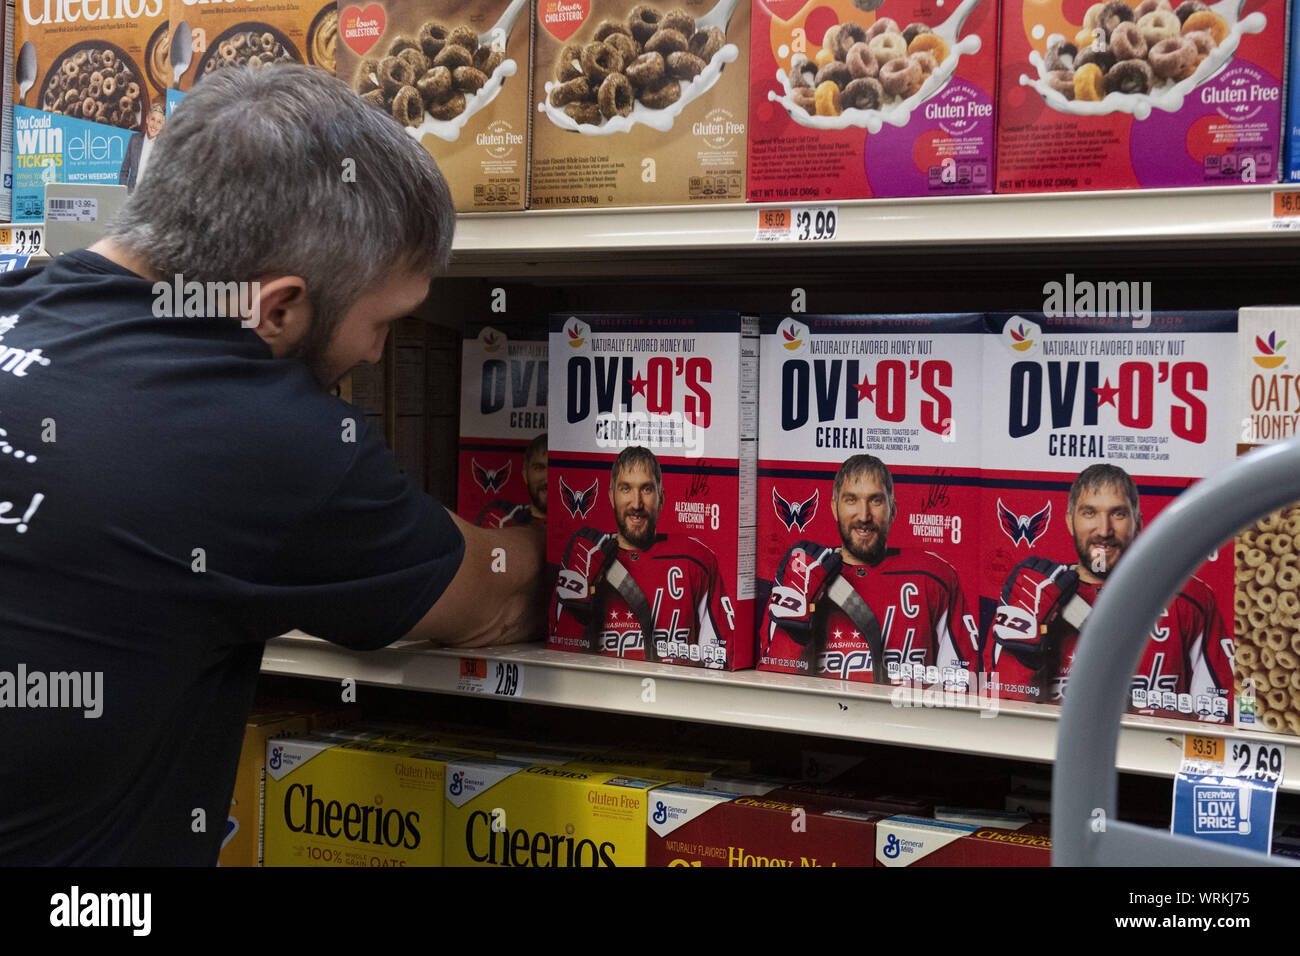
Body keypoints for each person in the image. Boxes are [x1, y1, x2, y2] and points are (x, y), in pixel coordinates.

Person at [0, 65, 543, 866]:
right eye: (386, 321)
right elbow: (495, 597)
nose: (379, 352)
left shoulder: (18, 304)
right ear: (280, 306)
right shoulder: (267, 440)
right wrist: (552, 530)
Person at [986, 463, 1231, 721]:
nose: (1104, 530)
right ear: (1070, 522)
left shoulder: (1187, 596)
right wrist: (1023, 656)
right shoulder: (1029, 592)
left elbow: (1219, 712)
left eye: (1118, 514)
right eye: (1089, 513)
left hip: (1149, 755)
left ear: (1138, 523)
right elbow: (994, 716)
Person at [760, 454, 979, 688]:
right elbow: (773, 690)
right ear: (834, 508)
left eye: (875, 500)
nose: (864, 516)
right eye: (851, 500)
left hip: (906, 721)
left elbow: (963, 685)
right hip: (825, 720)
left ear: (892, 510)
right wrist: (794, 633)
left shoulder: (934, 575)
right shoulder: (802, 575)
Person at [551, 446, 734, 667]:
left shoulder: (696, 558)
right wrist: (576, 603)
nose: (636, 504)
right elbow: (559, 662)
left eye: (646, 489)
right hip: (603, 693)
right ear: (611, 496)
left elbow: (719, 659)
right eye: (626, 489)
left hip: (676, 697)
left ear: (662, 497)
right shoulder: (585, 556)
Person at [476, 432, 547, 528]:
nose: (547, 480)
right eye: (539, 468)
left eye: (556, 469)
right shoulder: (499, 515)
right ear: (525, 474)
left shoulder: (574, 528)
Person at [118, 104, 166, 192]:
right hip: (132, 195)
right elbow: (124, 171)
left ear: (162, 126)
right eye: (153, 119)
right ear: (147, 119)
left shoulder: (164, 147)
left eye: (159, 122)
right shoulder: (134, 139)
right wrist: (123, 193)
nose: (154, 125)